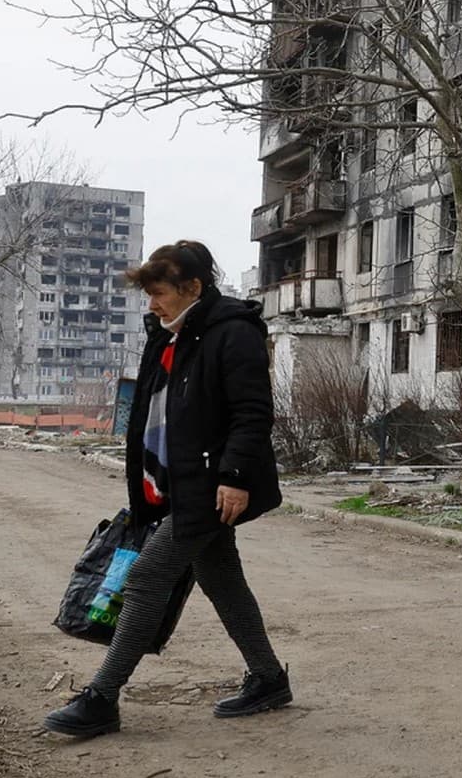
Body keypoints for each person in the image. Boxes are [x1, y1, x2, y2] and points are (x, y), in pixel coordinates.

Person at [44, 240, 291, 737]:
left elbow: (252, 413)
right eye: (149, 296)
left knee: (145, 578)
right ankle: (268, 678)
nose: (153, 304)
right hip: (176, 482)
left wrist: (235, 478)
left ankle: (102, 697)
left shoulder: (233, 333)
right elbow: (153, 410)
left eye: (160, 294)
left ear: (193, 287)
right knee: (222, 579)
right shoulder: (168, 334)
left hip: (210, 485)